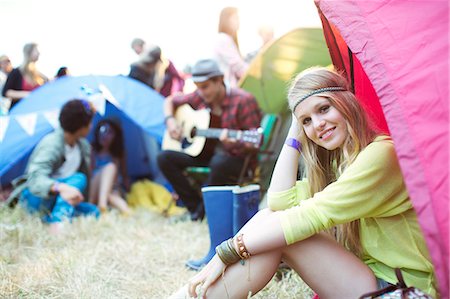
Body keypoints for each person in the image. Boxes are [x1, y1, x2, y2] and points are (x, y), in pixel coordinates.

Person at [168, 67, 437, 298]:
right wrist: (295, 134)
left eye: (324, 108)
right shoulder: (338, 165)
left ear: (347, 103)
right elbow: (279, 202)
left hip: (402, 289)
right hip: (366, 278)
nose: (318, 124)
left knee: (285, 234)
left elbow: (309, 215)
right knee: (274, 219)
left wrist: (224, 253)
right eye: (307, 120)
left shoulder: (382, 154)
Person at [157, 59, 262, 221]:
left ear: (219, 80)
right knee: (164, 158)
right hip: (205, 154)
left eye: (205, 87)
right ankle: (194, 207)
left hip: (235, 158)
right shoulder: (200, 96)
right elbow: (169, 101)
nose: (201, 92)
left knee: (220, 162)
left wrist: (235, 143)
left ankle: (200, 213)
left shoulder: (243, 100)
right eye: (197, 88)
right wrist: (171, 121)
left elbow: (255, 142)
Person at [10, 99, 99, 233]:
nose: (91, 126)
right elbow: (35, 179)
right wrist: (61, 187)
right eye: (90, 122)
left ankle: (48, 219)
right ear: (82, 126)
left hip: (58, 202)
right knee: (79, 178)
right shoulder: (51, 144)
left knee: (93, 211)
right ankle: (58, 222)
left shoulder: (83, 146)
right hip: (37, 197)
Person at [89, 118, 131, 215]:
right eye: (103, 130)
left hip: (113, 188)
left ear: (116, 136)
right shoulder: (92, 150)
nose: (105, 135)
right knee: (110, 167)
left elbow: (124, 175)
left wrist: (127, 187)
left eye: (110, 132)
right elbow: (90, 172)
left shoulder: (118, 153)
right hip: (95, 187)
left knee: (111, 195)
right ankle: (102, 205)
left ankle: (126, 212)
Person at [2, 43, 48, 109]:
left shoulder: (39, 75)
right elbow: (6, 92)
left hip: (36, 110)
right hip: (20, 112)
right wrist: (28, 94)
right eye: (36, 51)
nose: (39, 53)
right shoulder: (16, 72)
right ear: (28, 52)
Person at [212, 7, 248, 87]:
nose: (239, 22)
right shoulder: (223, 39)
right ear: (227, 20)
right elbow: (239, 67)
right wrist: (255, 71)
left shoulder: (228, 39)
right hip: (228, 90)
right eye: (236, 18)